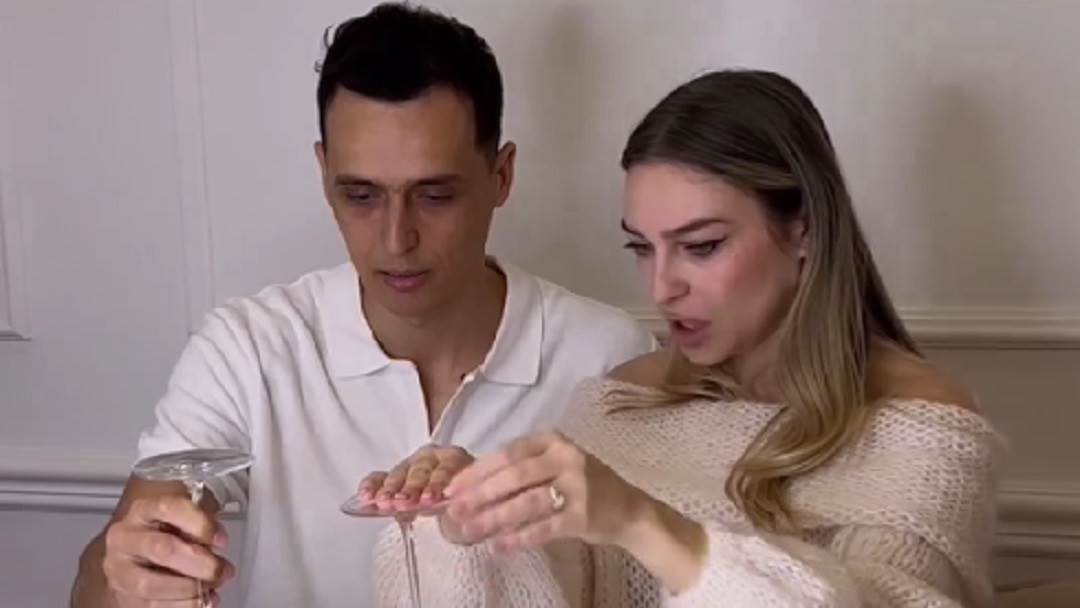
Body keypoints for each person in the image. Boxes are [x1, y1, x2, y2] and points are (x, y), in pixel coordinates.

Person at [69, 4, 655, 607]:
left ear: (501, 176)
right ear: (324, 174)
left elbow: (657, 584)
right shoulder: (247, 349)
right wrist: (130, 575)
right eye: (361, 195)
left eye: (435, 195)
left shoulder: (608, 357)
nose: (396, 240)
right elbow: (102, 578)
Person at [369, 70, 1002, 607]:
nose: (662, 287)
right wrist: (468, 524)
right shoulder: (622, 403)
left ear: (804, 231)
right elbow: (557, 588)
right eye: (643, 248)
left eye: (701, 246)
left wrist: (646, 523)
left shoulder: (922, 428)